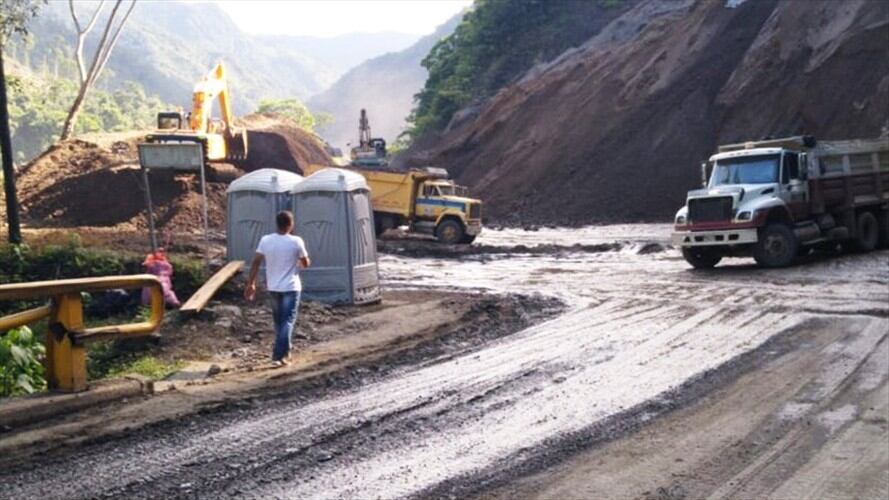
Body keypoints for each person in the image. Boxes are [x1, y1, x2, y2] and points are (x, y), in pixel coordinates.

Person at [244, 211, 311, 366]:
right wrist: (303, 261)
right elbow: (305, 263)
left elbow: (256, 262)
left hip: (273, 287)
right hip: (291, 287)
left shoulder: (265, 240)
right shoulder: (296, 241)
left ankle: (285, 353)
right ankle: (278, 355)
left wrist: (251, 283)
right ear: (291, 224)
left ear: (277, 223)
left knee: (279, 321)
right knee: (288, 321)